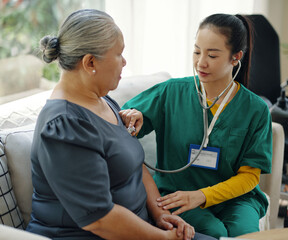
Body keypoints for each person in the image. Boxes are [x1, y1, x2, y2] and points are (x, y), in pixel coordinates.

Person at [26, 9, 216, 240]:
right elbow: (100, 219)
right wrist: (163, 238)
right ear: (90, 62)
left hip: (141, 226)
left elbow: (136, 166)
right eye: (119, 54)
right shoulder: (64, 127)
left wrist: (160, 213)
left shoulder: (103, 100)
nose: (124, 62)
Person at [120, 13, 272, 238]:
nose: (201, 62)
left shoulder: (255, 109)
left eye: (212, 55)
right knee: (213, 231)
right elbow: (120, 121)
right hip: (177, 193)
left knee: (244, 234)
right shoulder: (171, 93)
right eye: (197, 51)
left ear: (235, 57)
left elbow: (250, 176)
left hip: (235, 199)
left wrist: (201, 195)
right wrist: (132, 116)